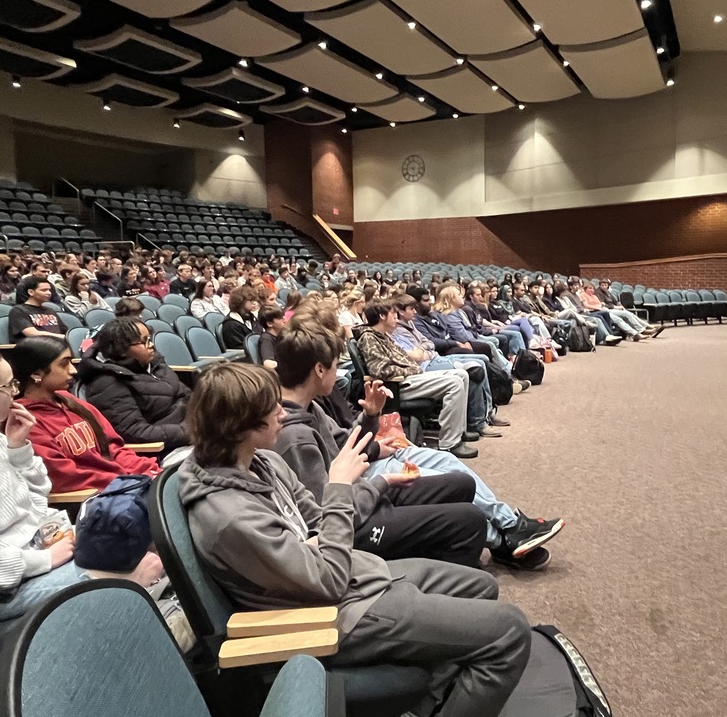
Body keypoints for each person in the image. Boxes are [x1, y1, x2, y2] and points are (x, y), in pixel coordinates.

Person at [179, 362, 531, 717]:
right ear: (240, 426)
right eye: (271, 410)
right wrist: (337, 490)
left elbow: (320, 522)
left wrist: (367, 490)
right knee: (511, 631)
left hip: (353, 577)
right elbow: (329, 579)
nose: (282, 413)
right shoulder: (230, 517)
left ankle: (430, 701)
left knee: (481, 586)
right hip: (330, 614)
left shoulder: (264, 463)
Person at [277, 322, 561, 569]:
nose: (338, 370)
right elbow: (329, 509)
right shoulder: (296, 437)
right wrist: (380, 481)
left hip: (363, 473)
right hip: (358, 497)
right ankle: (504, 541)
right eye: (335, 364)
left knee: (450, 466)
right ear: (319, 369)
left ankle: (510, 525)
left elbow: (347, 445)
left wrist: (371, 416)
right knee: (455, 500)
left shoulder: (311, 407)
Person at [0, 349, 162, 625]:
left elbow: (37, 499)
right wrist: (43, 560)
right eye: (9, 385)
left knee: (156, 538)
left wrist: (18, 448)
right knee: (140, 567)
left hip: (47, 550)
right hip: (0, 589)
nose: (16, 392)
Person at [13, 338, 161, 493]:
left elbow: (113, 448)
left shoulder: (71, 402)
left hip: (124, 485)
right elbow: (64, 476)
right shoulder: (24, 421)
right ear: (36, 373)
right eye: (63, 364)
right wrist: (129, 482)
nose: (73, 370)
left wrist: (148, 470)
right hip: (95, 497)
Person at [357, 300, 478, 459]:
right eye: (393, 313)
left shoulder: (384, 336)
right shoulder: (369, 338)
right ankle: (450, 443)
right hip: (398, 384)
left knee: (462, 375)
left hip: (410, 377)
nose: (396, 316)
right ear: (382, 316)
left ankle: (459, 431)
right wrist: (410, 369)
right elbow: (380, 370)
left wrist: (413, 367)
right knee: (454, 383)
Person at [78, 318, 191, 448]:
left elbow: (188, 397)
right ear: (121, 349)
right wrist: (191, 432)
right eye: (144, 341)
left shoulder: (155, 364)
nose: (151, 345)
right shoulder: (107, 382)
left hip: (192, 432)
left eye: (150, 339)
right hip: (164, 449)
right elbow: (135, 432)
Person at [9, 277, 67, 341]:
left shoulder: (50, 311)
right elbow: (32, 333)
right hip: (34, 345)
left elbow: (65, 331)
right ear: (31, 292)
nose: (49, 293)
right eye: (44, 290)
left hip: (58, 344)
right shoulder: (18, 310)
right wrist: (62, 337)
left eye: (49, 290)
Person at [222, 285, 262, 350]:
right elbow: (239, 347)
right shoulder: (231, 325)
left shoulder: (251, 318)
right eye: (250, 300)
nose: (254, 303)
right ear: (240, 301)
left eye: (254, 300)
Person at [258, 304, 286, 369]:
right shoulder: (266, 339)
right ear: (270, 324)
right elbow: (268, 363)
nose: (284, 320)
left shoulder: (282, 336)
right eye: (280, 318)